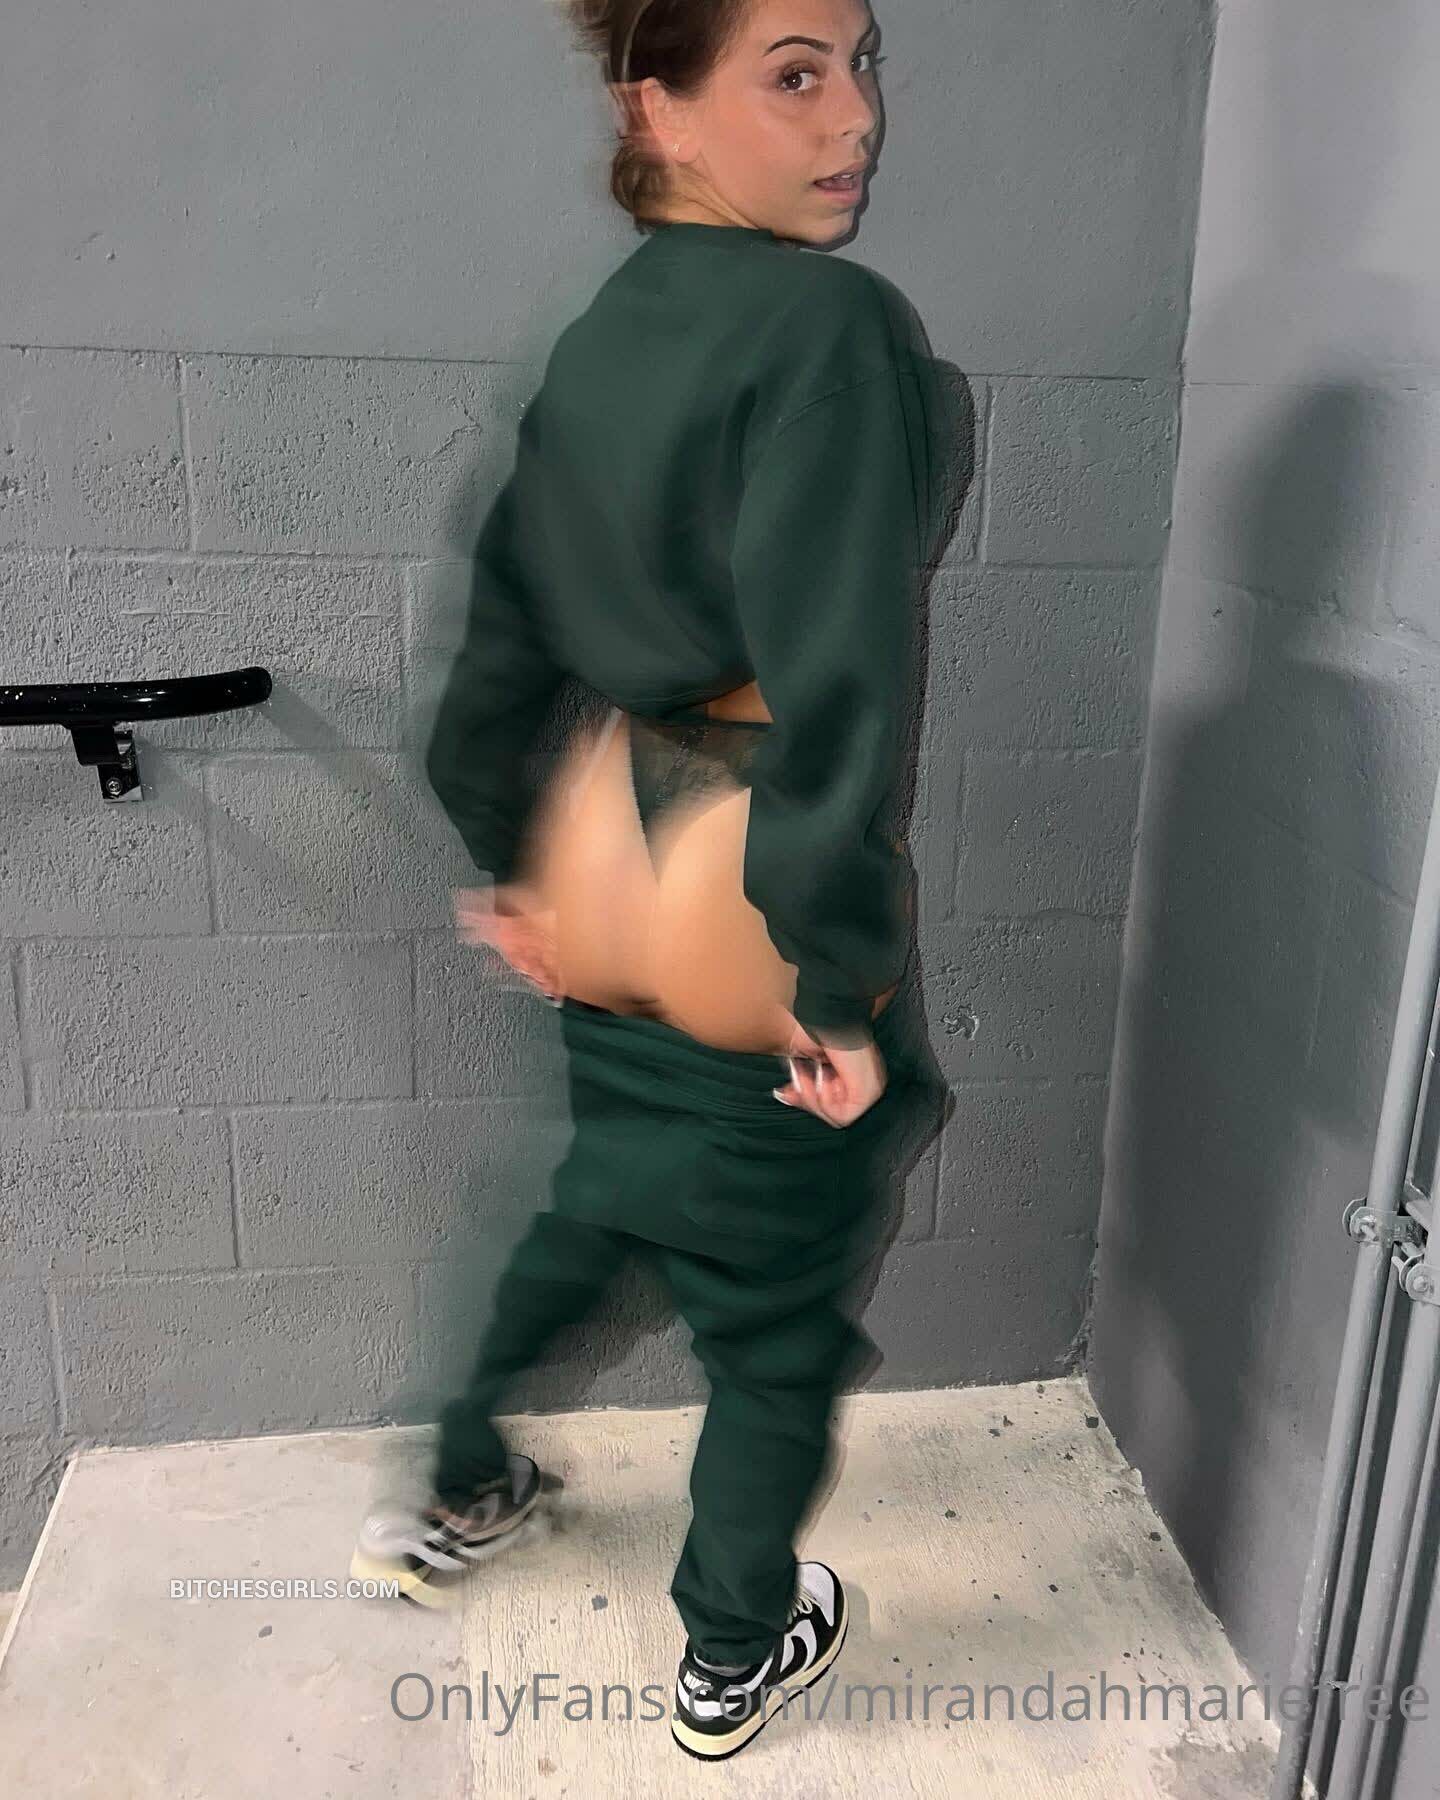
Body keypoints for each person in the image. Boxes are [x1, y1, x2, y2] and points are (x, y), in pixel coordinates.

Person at [350, 0, 969, 1762]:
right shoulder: (834, 328)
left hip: (607, 851)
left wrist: (504, 854)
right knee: (772, 1330)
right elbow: (839, 688)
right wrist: (839, 982)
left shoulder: (603, 334)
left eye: (861, 62)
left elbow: (496, 627)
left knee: (607, 1198)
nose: (855, 115)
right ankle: (732, 1650)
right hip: (744, 884)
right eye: (794, 72)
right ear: (663, 108)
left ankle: (462, 1477)